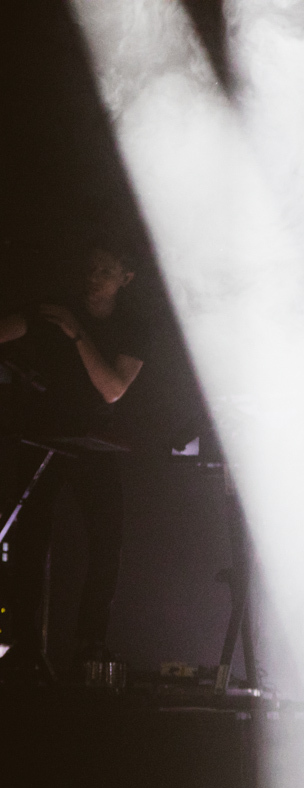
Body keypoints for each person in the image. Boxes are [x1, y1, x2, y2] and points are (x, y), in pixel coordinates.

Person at [0, 241, 148, 679]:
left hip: (93, 442)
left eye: (105, 268)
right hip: (43, 436)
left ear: (126, 278)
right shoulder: (54, 309)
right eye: (90, 266)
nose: (93, 275)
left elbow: (113, 388)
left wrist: (77, 332)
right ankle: (25, 645)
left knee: (106, 542)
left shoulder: (132, 326)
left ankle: (90, 644)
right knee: (29, 542)